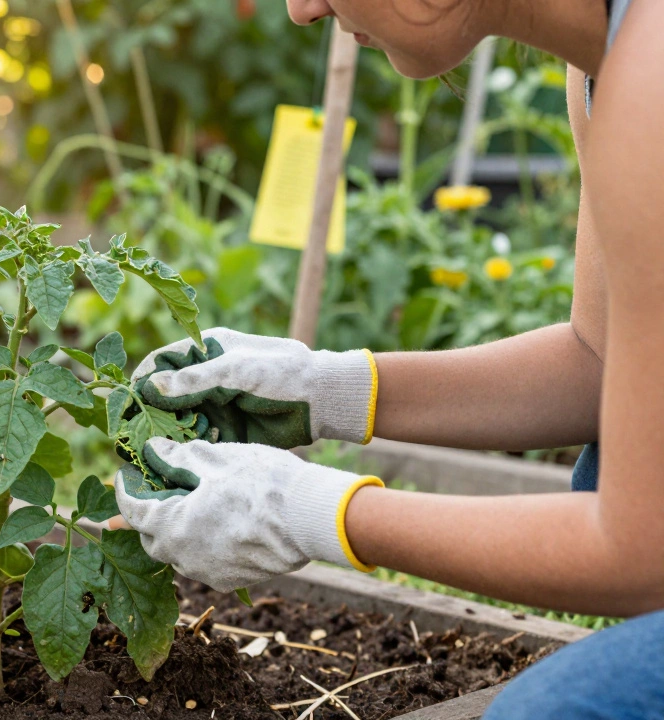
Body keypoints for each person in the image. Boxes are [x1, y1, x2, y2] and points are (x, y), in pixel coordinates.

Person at [113, 0, 664, 716]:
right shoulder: (605, 61)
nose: (302, 9)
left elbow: (639, 554)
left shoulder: (650, 81)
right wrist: (329, 389)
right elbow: (599, 357)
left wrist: (315, 512)